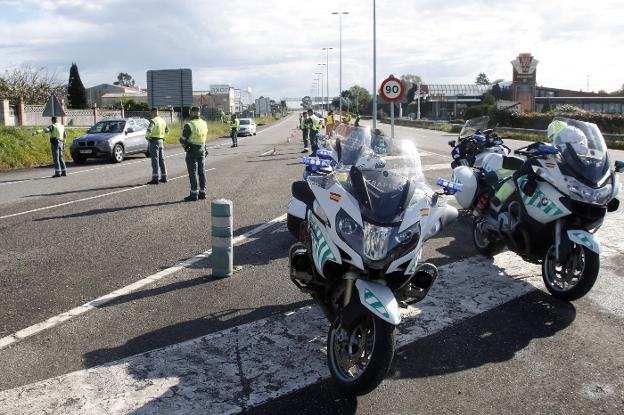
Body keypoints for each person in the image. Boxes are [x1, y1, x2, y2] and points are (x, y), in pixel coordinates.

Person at [179, 106, 208, 202]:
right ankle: (203, 192)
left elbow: (182, 140)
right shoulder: (204, 123)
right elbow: (204, 137)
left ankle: (194, 193)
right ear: (199, 112)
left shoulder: (190, 125)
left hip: (192, 150)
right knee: (202, 171)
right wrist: (205, 148)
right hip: (202, 149)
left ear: (192, 113)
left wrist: (186, 146)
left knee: (192, 172)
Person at [146, 108, 169, 185]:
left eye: (151, 113)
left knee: (155, 160)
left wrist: (147, 137)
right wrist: (163, 137)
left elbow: (149, 130)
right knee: (162, 160)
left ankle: (155, 179)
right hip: (161, 141)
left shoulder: (153, 121)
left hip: (153, 141)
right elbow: (167, 131)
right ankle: (164, 177)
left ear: (153, 113)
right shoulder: (163, 121)